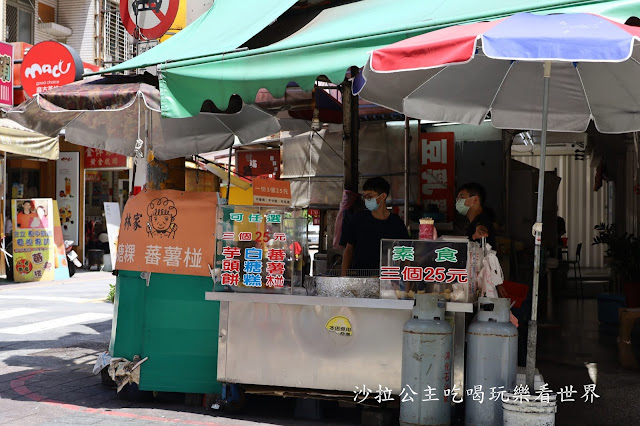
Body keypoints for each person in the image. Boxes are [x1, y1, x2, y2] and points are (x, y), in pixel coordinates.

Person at [341, 177, 409, 275]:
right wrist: (343, 279)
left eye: (369, 197)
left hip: (388, 278)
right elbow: (348, 250)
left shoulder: (396, 223)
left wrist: (407, 284)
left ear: (383, 196)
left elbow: (406, 255)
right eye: (364, 197)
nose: (366, 200)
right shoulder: (358, 220)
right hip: (361, 277)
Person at [456, 182, 506, 297]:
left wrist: (480, 231)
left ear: (475, 200)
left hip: (484, 281)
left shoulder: (482, 219)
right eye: (457, 198)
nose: (458, 201)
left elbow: (481, 226)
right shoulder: (472, 222)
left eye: (462, 197)